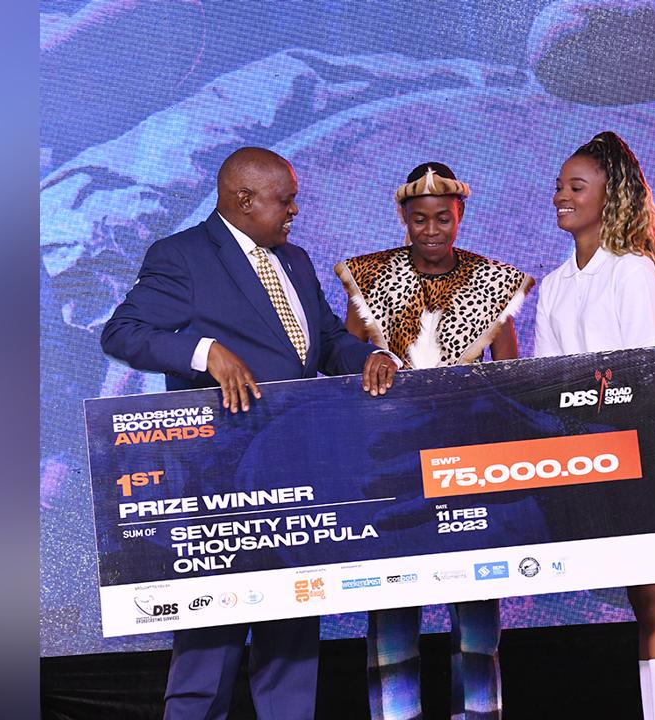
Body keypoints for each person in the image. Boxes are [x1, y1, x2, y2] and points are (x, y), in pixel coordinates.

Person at [101, 146, 400, 720]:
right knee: (208, 650)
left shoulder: (296, 260)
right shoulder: (183, 256)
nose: (294, 211)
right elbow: (123, 332)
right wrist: (204, 351)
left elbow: (325, 342)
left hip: (300, 482)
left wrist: (370, 356)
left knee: (292, 644)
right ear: (243, 199)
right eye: (285, 200)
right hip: (219, 487)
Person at [534, 132, 655, 720]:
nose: (561, 196)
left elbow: (646, 376)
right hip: (591, 451)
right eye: (559, 187)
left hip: (649, 442)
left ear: (610, 196)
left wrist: (591, 410)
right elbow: (546, 379)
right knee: (641, 604)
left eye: (577, 187)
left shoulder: (633, 271)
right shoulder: (553, 285)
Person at [334, 162, 534, 720]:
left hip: (468, 464)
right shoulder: (369, 278)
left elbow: (510, 377)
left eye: (442, 218)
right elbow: (345, 366)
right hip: (390, 460)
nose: (431, 230)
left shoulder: (492, 281)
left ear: (459, 215)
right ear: (404, 218)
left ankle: (479, 714)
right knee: (393, 611)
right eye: (419, 219)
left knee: (476, 618)